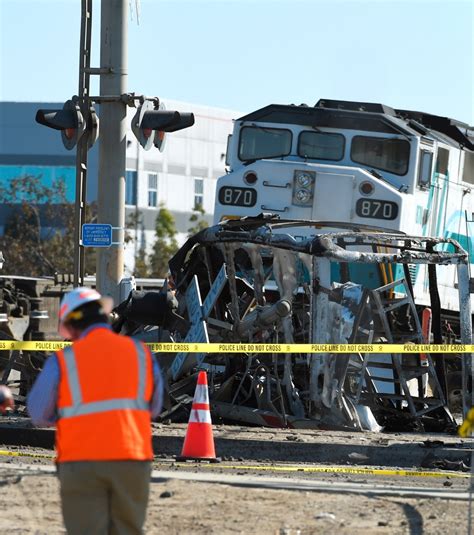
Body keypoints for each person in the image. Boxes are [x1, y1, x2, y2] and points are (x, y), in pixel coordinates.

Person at [27, 287, 163, 535]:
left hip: (82, 462)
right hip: (132, 460)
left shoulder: (63, 360)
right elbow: (154, 408)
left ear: (72, 324)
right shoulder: (141, 354)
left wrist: (68, 415)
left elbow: (38, 413)